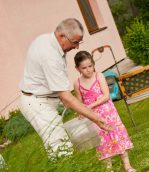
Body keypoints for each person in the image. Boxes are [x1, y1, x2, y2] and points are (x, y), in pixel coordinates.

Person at [19, 18, 110, 159]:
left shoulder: (46, 40)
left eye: (79, 42)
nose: (77, 47)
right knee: (61, 147)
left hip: (41, 99)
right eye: (75, 42)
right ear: (62, 36)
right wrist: (95, 118)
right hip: (37, 102)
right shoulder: (50, 55)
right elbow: (66, 98)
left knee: (58, 145)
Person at [73, 51, 136, 172]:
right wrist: (81, 112)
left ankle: (127, 166)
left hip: (108, 113)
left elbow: (106, 96)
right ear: (77, 68)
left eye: (90, 66)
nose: (88, 70)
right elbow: (79, 102)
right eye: (84, 68)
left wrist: (90, 106)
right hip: (93, 117)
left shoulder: (99, 76)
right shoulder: (77, 83)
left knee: (116, 135)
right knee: (101, 142)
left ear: (93, 64)